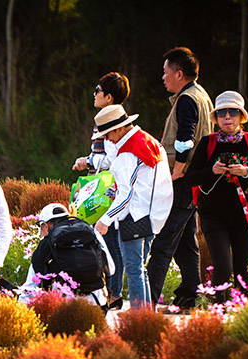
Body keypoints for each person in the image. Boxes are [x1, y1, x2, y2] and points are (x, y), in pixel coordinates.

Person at [183, 91, 248, 302]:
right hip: (213, 216)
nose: (227, 117)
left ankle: (241, 315)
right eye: (222, 113)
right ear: (216, 118)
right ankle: (219, 314)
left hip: (243, 216)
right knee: (223, 268)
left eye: (232, 112)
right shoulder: (208, 142)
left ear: (241, 117)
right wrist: (211, 171)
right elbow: (190, 178)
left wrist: (247, 172)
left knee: (243, 270)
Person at [148, 46, 214, 311]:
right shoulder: (201, 95)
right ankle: (188, 297)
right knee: (186, 243)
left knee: (163, 242)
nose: (162, 78)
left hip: (182, 181)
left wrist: (177, 171)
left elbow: (186, 138)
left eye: (166, 73)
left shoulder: (187, 99)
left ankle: (145, 303)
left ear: (179, 73)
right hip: (194, 181)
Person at [92, 105, 174, 309]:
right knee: (139, 269)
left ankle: (140, 317)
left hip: (135, 216)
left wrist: (105, 220)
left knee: (134, 270)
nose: (107, 139)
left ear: (119, 129)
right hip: (153, 212)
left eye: (108, 134)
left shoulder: (127, 153)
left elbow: (127, 194)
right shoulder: (147, 140)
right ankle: (145, 314)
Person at [72, 71, 130, 309]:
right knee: (102, 241)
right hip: (103, 185)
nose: (94, 94)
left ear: (108, 96)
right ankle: (106, 290)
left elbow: (111, 158)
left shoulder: (112, 122)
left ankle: (113, 293)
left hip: (109, 189)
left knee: (110, 242)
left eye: (97, 90)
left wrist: (88, 162)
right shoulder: (105, 118)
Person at [24, 202, 114, 308]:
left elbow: (31, 285)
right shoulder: (91, 232)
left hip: (64, 308)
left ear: (44, 225)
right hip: (97, 303)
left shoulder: (47, 242)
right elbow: (111, 270)